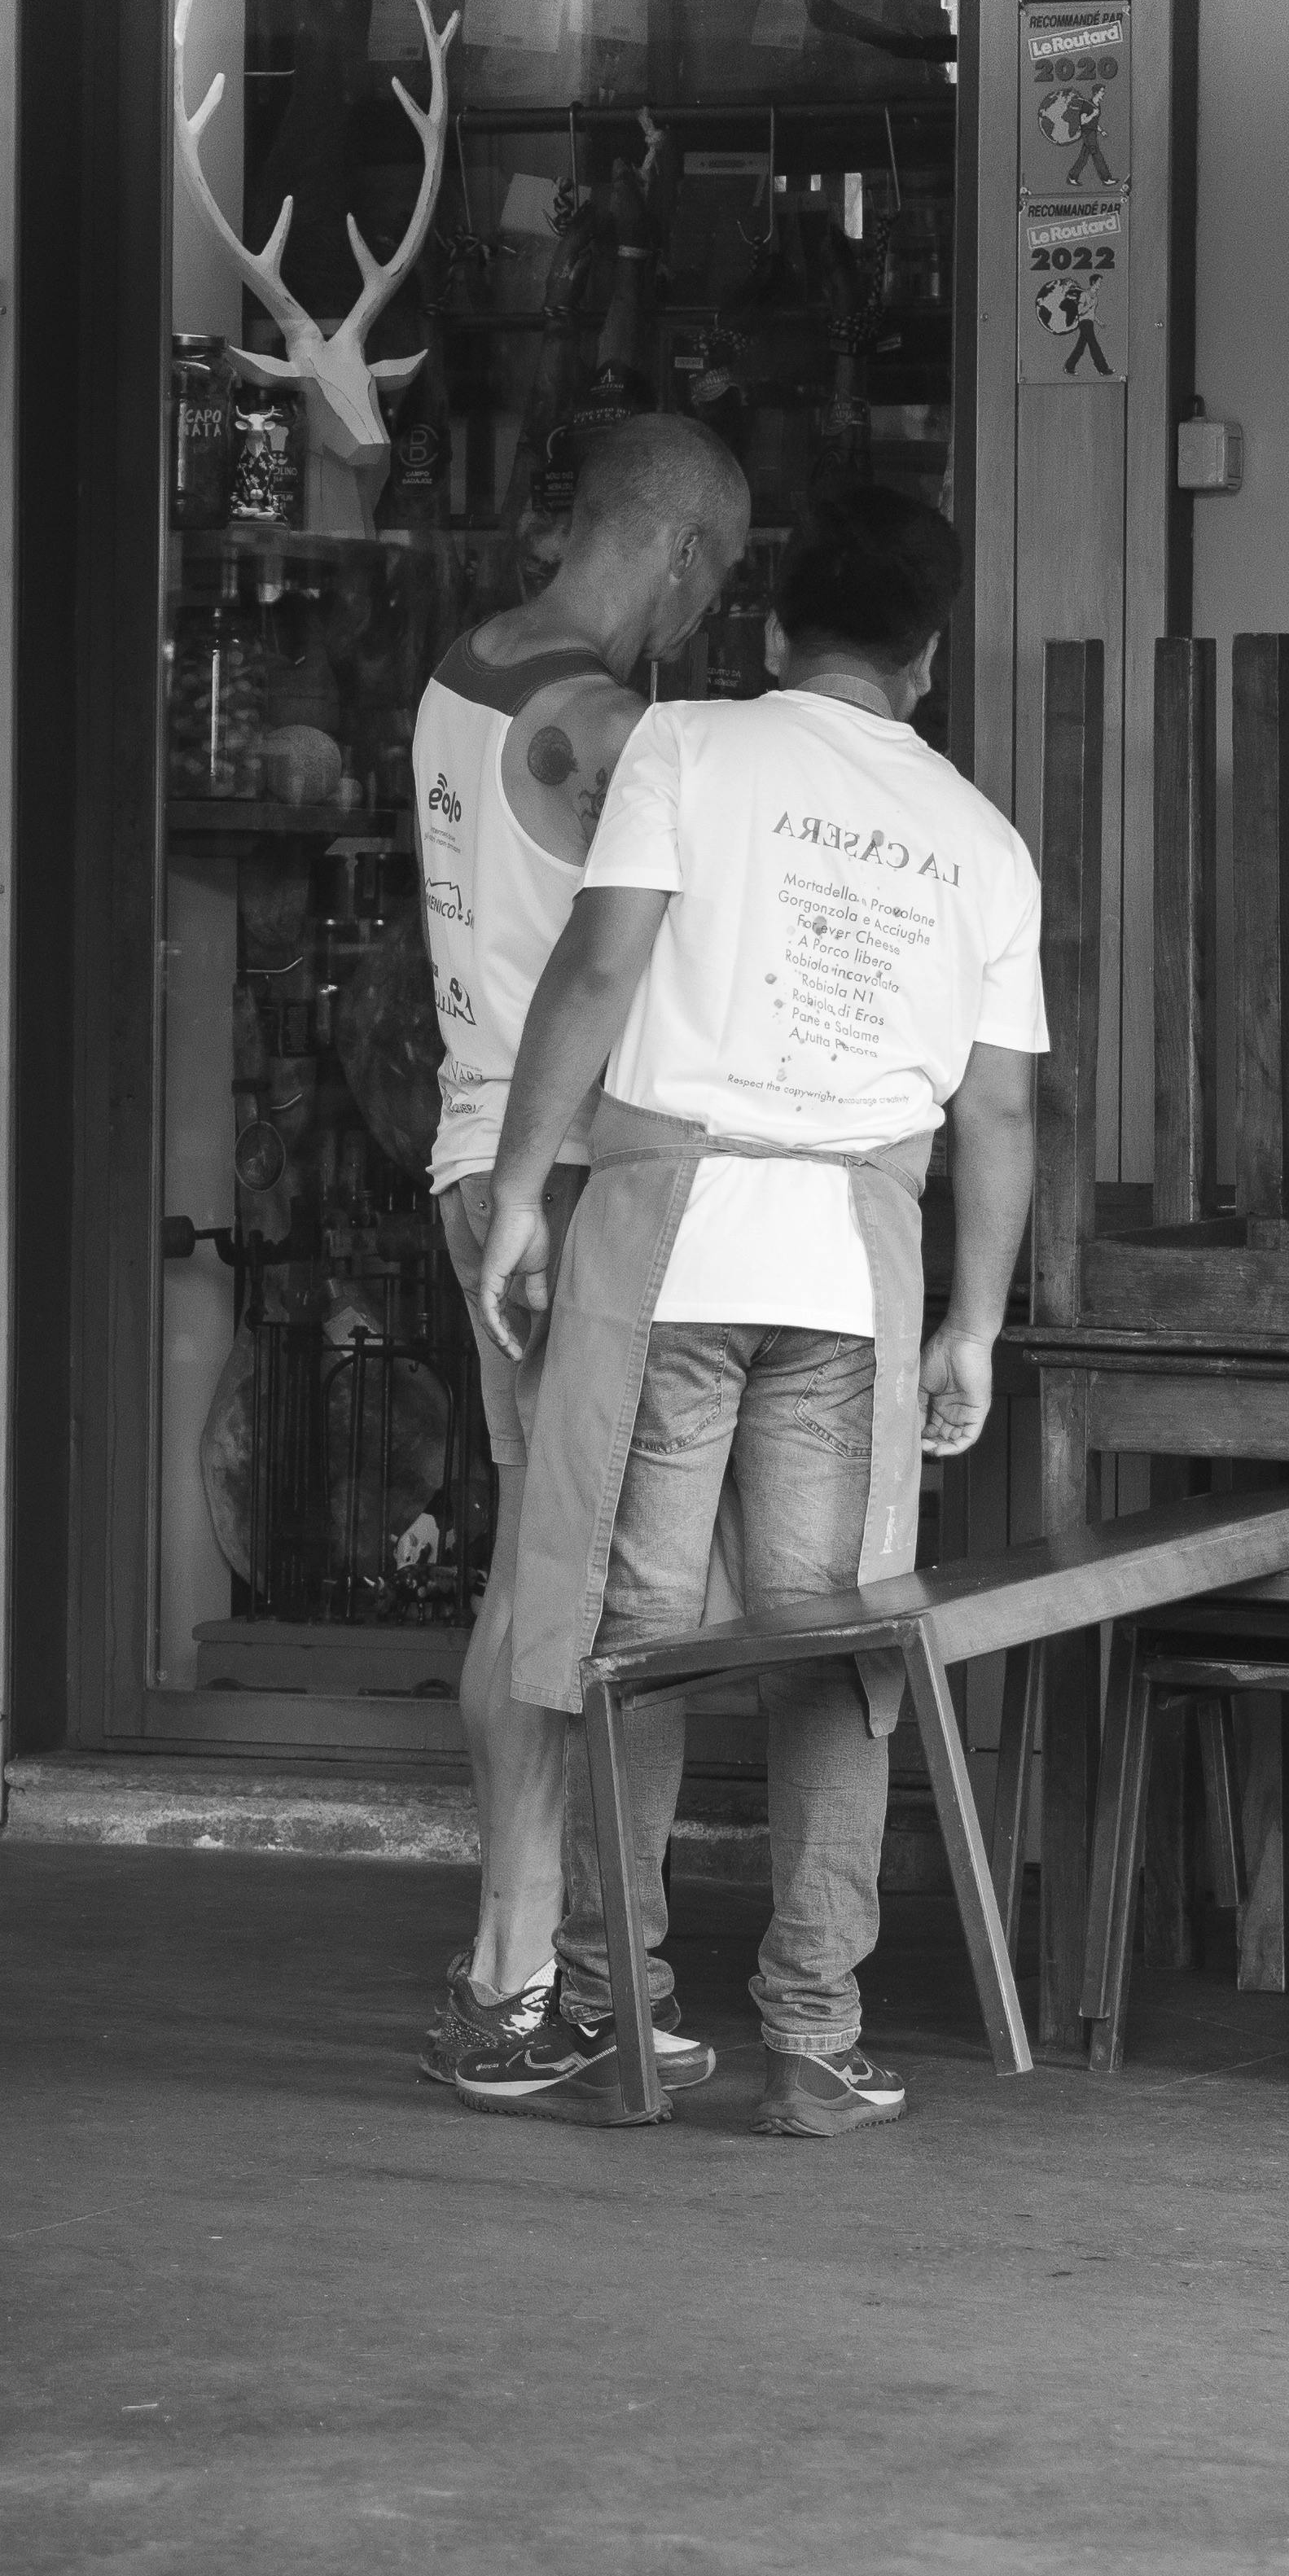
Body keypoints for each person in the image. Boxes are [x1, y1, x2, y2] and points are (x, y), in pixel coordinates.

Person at [470, 486, 1043, 2139]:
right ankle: (813, 2036)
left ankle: (614, 2012)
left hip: (671, 1248)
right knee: (833, 1651)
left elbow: (595, 972)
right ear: (926, 663)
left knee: (624, 1639)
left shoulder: (690, 750)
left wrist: (520, 1189)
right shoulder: (980, 842)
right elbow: (1000, 1119)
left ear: (777, 632)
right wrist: (977, 1324)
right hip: (855, 1280)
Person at [410, 414, 754, 2113]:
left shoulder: (468, 670)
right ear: (680, 556)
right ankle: (513, 1980)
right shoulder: (596, 719)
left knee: (519, 1579)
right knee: (570, 1592)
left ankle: (520, 1967)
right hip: (554, 1180)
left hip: (484, 1159)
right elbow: (645, 953)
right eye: (715, 582)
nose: (705, 619)